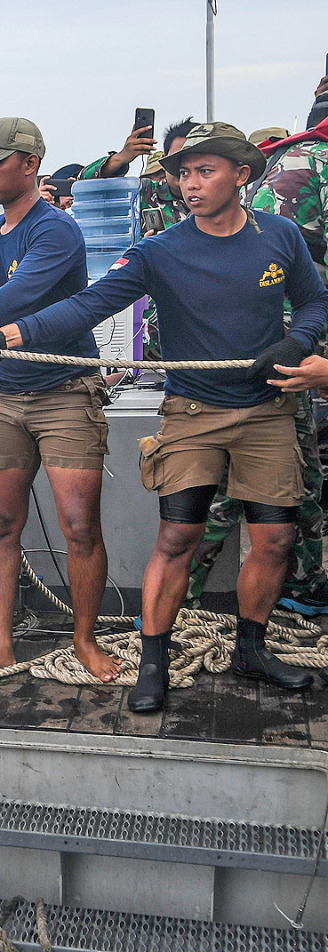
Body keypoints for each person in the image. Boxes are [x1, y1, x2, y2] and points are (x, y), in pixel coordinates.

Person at [0, 122, 328, 713]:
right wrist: (5, 336)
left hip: (268, 410)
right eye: (183, 173)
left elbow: (313, 301)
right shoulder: (160, 251)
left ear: (242, 175)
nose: (189, 184)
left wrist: (299, 342)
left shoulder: (282, 237)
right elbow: (87, 304)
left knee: (275, 538)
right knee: (177, 537)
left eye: (204, 171)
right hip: (192, 411)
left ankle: (251, 648)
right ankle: (154, 661)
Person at [0, 116, 121, 685]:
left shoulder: (56, 230)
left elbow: (23, 294)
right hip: (5, 396)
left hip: (64, 393)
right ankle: (2, 643)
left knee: (80, 526)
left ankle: (85, 640)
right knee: (2, 523)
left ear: (29, 164)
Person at [189, 77, 328, 615]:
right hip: (296, 351)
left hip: (279, 344)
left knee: (305, 475)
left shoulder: (288, 162)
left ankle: (310, 582)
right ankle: (187, 598)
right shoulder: (309, 171)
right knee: (250, 484)